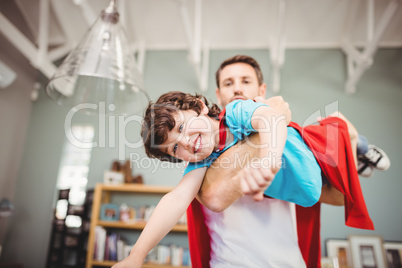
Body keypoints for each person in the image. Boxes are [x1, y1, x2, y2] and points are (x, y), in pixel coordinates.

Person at [112, 85, 387, 267]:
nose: (185, 142)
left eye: (183, 126)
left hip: (313, 152)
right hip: (310, 190)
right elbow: (175, 199)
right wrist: (136, 255)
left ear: (200, 106)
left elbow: (271, 119)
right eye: (175, 148)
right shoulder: (203, 162)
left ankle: (363, 150)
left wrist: (268, 158)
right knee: (341, 172)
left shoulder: (234, 114)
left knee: (339, 134)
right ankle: (359, 163)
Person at [187, 55, 390, 268]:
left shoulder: (285, 139)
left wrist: (348, 143)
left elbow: (337, 197)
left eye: (246, 81)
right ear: (218, 95)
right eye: (229, 83)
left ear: (261, 90)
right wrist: (274, 120)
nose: (237, 89)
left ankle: (359, 156)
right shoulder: (203, 148)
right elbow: (214, 197)